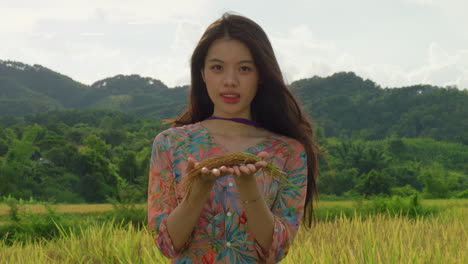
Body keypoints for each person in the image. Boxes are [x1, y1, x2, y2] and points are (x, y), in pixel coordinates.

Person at [148, 12, 319, 264]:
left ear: (261, 75)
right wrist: (198, 191)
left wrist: (248, 187)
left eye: (244, 69)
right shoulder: (170, 144)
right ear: (203, 73)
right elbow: (167, 244)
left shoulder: (288, 151)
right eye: (217, 67)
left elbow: (277, 251)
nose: (230, 81)